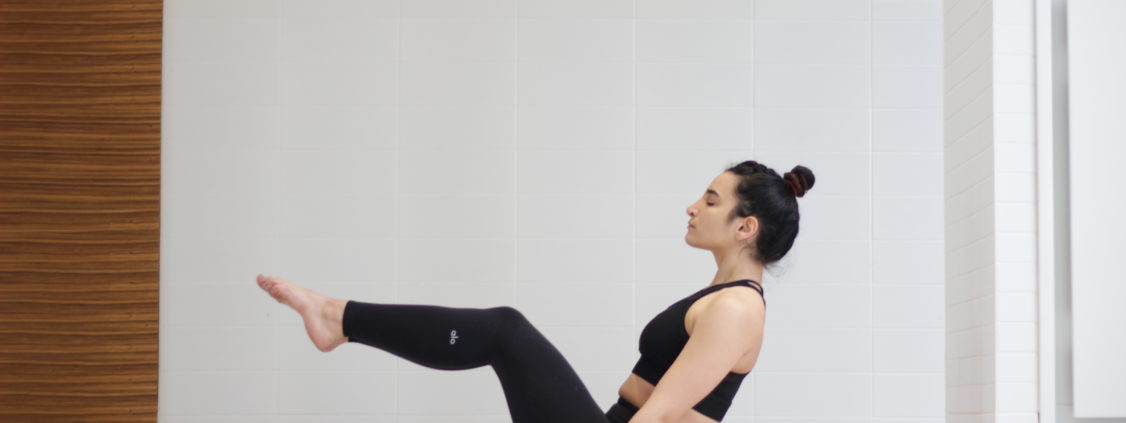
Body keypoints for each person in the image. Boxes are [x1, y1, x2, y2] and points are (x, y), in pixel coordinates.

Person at [256, 160, 815, 423]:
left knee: (505, 331)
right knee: (504, 331)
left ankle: (338, 319)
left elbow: (663, 415)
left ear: (746, 227)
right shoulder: (723, 299)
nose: (692, 207)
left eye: (711, 200)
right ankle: (338, 319)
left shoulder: (736, 308)